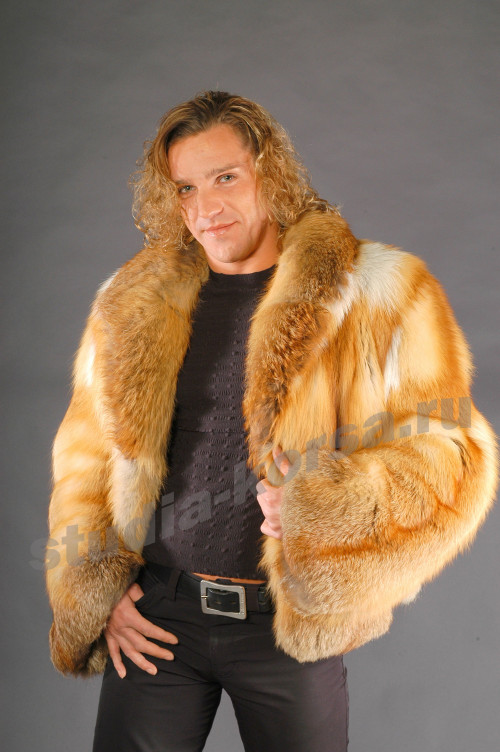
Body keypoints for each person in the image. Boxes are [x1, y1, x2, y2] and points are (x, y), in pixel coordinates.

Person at [45, 91, 497, 751]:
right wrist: (97, 589)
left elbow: (453, 452)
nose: (206, 207)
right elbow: (84, 460)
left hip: (290, 624)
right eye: (185, 188)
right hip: (160, 617)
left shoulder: (380, 292)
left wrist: (327, 507)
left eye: (225, 177)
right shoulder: (130, 304)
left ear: (271, 171)